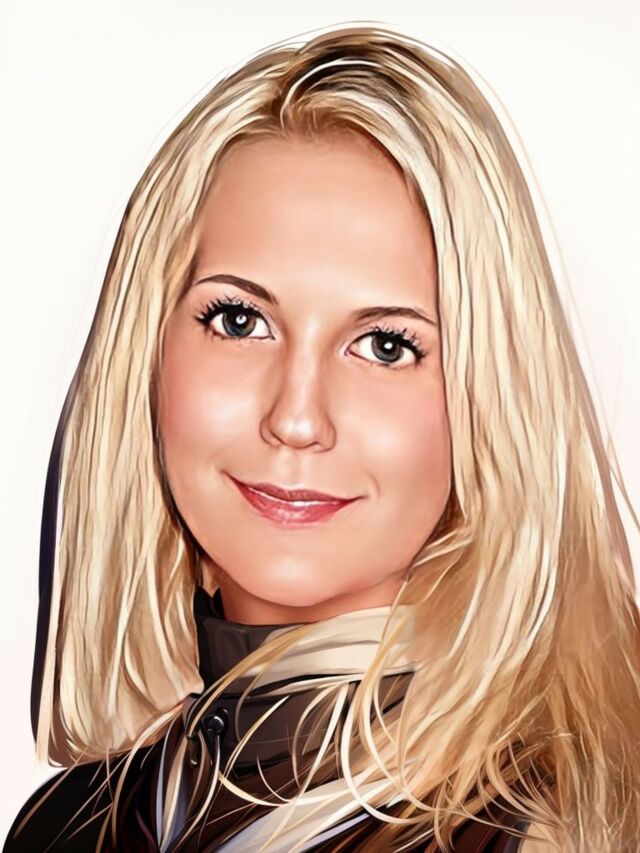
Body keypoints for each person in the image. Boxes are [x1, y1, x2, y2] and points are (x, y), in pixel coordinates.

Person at [4, 23, 640, 853]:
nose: (297, 418)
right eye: (240, 320)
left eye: (386, 345)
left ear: (489, 396)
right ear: (146, 352)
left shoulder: (547, 826)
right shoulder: (67, 823)